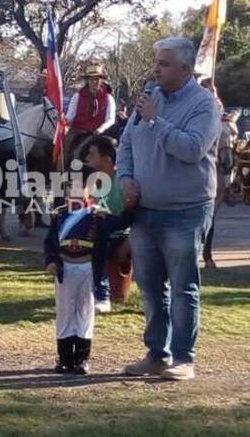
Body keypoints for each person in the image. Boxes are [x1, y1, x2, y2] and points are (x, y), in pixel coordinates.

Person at [117, 37, 221, 381]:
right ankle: (156, 354)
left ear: (185, 69)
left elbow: (191, 149)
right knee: (148, 286)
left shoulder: (204, 105)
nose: (156, 69)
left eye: (163, 64)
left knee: (182, 287)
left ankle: (183, 359)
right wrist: (125, 178)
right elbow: (127, 144)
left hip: (185, 211)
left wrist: (155, 121)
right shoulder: (150, 97)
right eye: (156, 62)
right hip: (144, 211)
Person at [44, 176, 130, 375]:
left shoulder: (96, 215)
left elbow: (120, 223)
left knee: (85, 311)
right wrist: (50, 261)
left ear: (88, 190)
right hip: (65, 268)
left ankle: (82, 358)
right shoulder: (59, 215)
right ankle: (65, 357)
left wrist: (130, 206)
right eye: (69, 188)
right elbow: (50, 242)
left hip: (87, 268)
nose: (73, 191)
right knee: (65, 312)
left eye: (78, 187)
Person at [85, 135, 128, 314]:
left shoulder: (123, 180)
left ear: (107, 159)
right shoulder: (97, 180)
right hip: (102, 228)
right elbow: (90, 204)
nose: (88, 158)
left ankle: (102, 295)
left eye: (92, 154)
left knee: (99, 231)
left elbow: (130, 214)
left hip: (121, 229)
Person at [62, 63, 116, 168]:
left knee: (113, 147)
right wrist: (64, 121)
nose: (94, 82)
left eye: (97, 79)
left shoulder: (109, 98)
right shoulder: (77, 96)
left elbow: (111, 119)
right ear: (87, 81)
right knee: (66, 144)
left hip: (99, 133)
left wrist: (101, 129)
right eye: (91, 79)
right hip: (79, 131)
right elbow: (70, 116)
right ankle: (63, 170)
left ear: (101, 80)